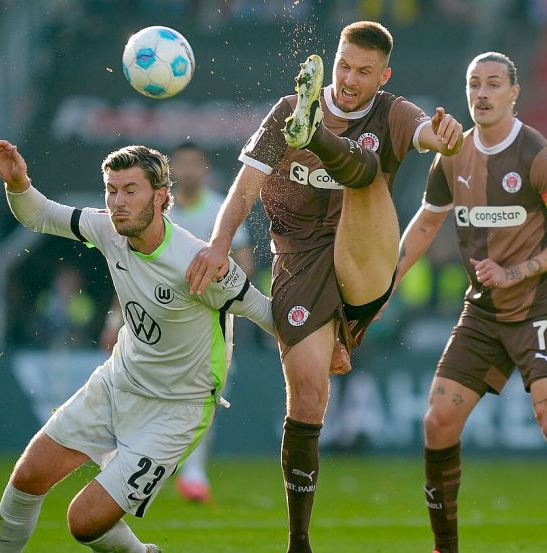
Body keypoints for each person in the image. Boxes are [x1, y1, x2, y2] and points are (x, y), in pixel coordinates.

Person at [186, 21, 464, 553]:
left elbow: (428, 132)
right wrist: (220, 244)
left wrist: (444, 137)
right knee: (310, 394)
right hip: (299, 262)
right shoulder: (283, 110)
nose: (351, 78)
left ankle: (314, 136)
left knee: (366, 170)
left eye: (364, 72)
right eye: (343, 66)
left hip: (363, 249)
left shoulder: (393, 112)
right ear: (332, 61)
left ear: (384, 76)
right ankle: (299, 541)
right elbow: (244, 189)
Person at [0, 140, 276, 553]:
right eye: (111, 190)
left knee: (83, 523)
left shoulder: (196, 262)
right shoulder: (108, 230)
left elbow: (267, 313)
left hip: (176, 411)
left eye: (130, 190)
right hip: (117, 383)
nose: (117, 202)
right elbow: (40, 214)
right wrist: (18, 183)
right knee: (28, 476)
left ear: (160, 196)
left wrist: (328, 346)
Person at [393, 52, 547, 553]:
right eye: (474, 84)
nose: (481, 93)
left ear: (513, 92)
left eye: (493, 84)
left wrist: (514, 272)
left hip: (539, 304)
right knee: (437, 422)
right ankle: (445, 548)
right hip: (483, 311)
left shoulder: (538, 155)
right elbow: (428, 223)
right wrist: (383, 285)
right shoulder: (451, 154)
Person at [99, 141, 257, 504]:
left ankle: (194, 471)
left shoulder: (222, 210)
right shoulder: (152, 212)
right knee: (139, 389)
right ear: (169, 177)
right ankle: (129, 461)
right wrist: (113, 318)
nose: (187, 171)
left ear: (203, 169)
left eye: (193, 164)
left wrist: (215, 282)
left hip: (205, 321)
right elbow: (132, 267)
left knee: (207, 394)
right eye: (180, 165)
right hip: (154, 318)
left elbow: (245, 265)